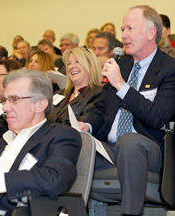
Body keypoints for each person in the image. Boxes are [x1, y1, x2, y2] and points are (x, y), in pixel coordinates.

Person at [79, 5, 175, 215]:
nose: (123, 35)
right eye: (122, 29)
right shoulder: (121, 65)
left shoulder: (169, 69)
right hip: (110, 147)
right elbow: (102, 109)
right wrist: (86, 125)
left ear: (151, 33)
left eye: (130, 29)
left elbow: (157, 117)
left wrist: (122, 86)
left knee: (129, 142)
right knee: (70, 141)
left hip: (150, 147)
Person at [0, 69, 81, 216]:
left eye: (14, 99)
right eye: (5, 100)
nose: (5, 108)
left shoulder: (60, 136)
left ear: (40, 105)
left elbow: (55, 179)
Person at [47, 46, 103, 125]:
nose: (71, 67)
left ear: (91, 66)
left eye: (77, 61)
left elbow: (80, 123)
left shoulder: (98, 94)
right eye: (69, 63)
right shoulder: (59, 93)